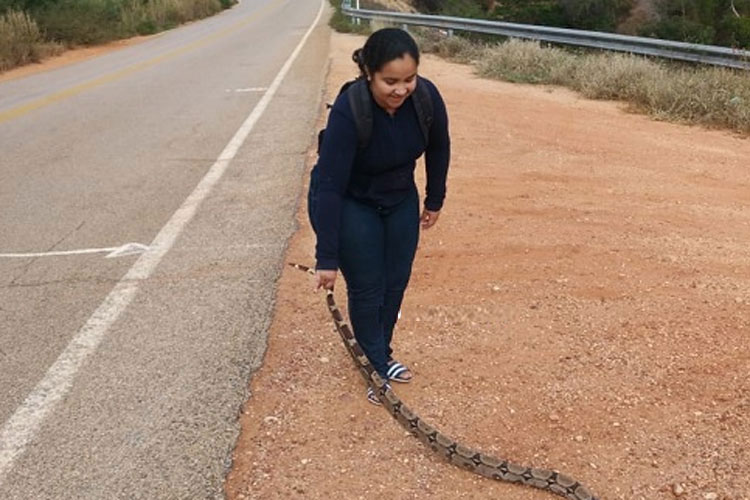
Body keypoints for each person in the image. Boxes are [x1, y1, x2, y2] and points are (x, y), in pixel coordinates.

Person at [310, 28, 450, 405]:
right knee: (368, 287)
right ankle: (374, 365)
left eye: (409, 79)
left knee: (395, 282)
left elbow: (439, 147)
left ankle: (382, 352)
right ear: (369, 72)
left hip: (399, 196)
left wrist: (435, 198)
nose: (401, 90)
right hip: (352, 200)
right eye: (390, 81)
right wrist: (327, 257)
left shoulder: (426, 99)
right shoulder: (350, 110)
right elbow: (330, 186)